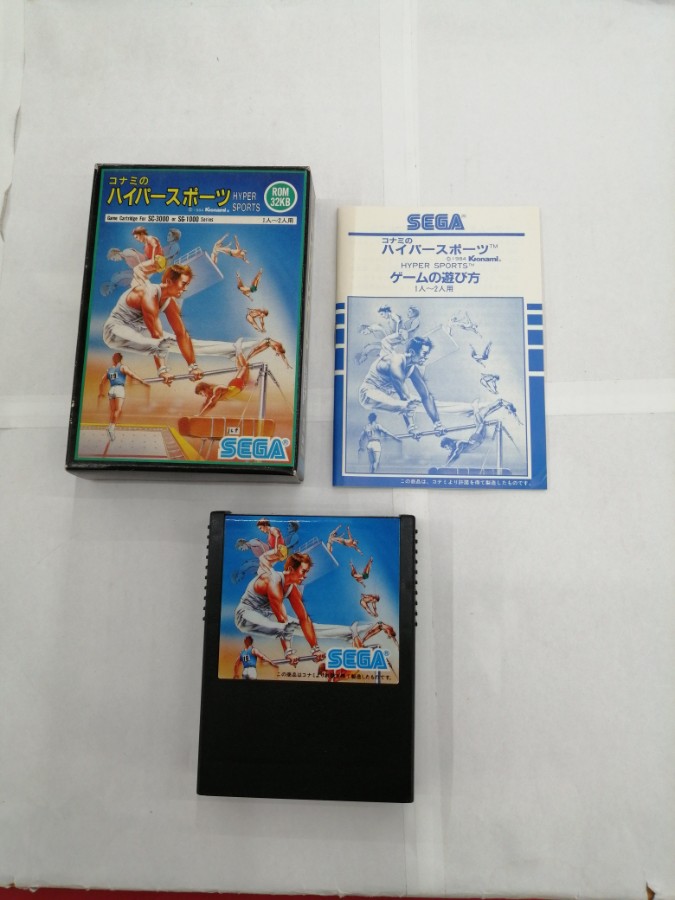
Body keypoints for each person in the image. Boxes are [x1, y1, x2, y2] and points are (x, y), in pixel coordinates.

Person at [234, 552, 396, 666]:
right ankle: (288, 647)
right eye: (303, 571)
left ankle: (352, 632)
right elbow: (282, 619)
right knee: (285, 625)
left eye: (307, 572)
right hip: (246, 615)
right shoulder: (273, 580)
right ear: (290, 569)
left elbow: (304, 619)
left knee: (306, 625)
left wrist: (315, 649)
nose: (305, 576)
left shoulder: (292, 589)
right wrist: (289, 652)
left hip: (267, 615)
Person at [358, 335, 444, 437]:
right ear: (412, 352)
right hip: (369, 395)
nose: (426, 357)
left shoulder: (413, 369)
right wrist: (411, 427)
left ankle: (462, 410)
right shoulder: (396, 361)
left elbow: (426, 396)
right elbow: (404, 397)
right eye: (424, 353)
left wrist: (437, 423)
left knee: (430, 403)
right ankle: (411, 424)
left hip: (389, 395)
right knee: (409, 403)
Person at [97, 352, 147, 441]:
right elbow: (132, 375)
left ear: (114, 359)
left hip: (111, 390)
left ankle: (110, 427)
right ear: (120, 359)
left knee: (113, 411)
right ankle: (111, 428)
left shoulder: (109, 370)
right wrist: (142, 381)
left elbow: (102, 381)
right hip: (119, 389)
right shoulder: (123, 367)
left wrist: (101, 393)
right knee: (118, 410)